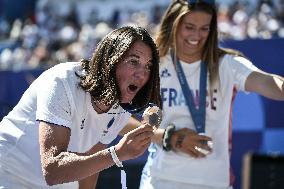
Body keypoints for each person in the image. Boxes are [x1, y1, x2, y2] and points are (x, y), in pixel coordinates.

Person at [133, 0, 283, 189]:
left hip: (213, 183)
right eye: (189, 27)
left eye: (205, 28)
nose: (196, 35)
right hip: (159, 181)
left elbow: (270, 83)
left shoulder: (227, 64)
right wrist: (169, 137)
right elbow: (118, 119)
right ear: (174, 24)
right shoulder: (154, 64)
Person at [0, 26, 161, 189]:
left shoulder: (121, 105)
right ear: (110, 60)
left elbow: (91, 166)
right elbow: (52, 169)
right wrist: (117, 153)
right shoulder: (62, 81)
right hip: (9, 174)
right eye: (134, 61)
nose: (142, 74)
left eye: (148, 66)